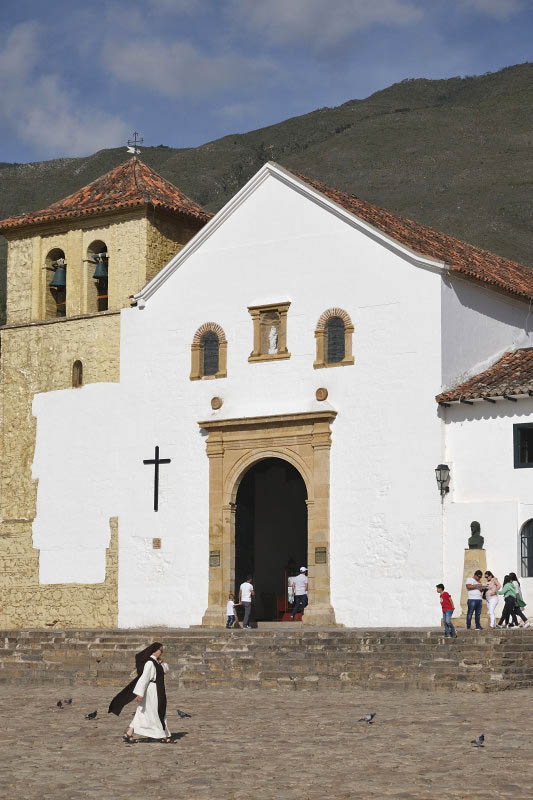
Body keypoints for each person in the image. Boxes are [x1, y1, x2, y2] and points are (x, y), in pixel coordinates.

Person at [108, 642, 171, 743]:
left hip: (157, 690)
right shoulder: (150, 663)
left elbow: (165, 670)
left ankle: (129, 732)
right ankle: (161, 735)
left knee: (143, 712)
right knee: (152, 712)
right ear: (155, 650)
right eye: (160, 650)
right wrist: (140, 693)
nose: (162, 652)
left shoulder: (156, 662)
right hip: (151, 691)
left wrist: (161, 662)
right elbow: (144, 679)